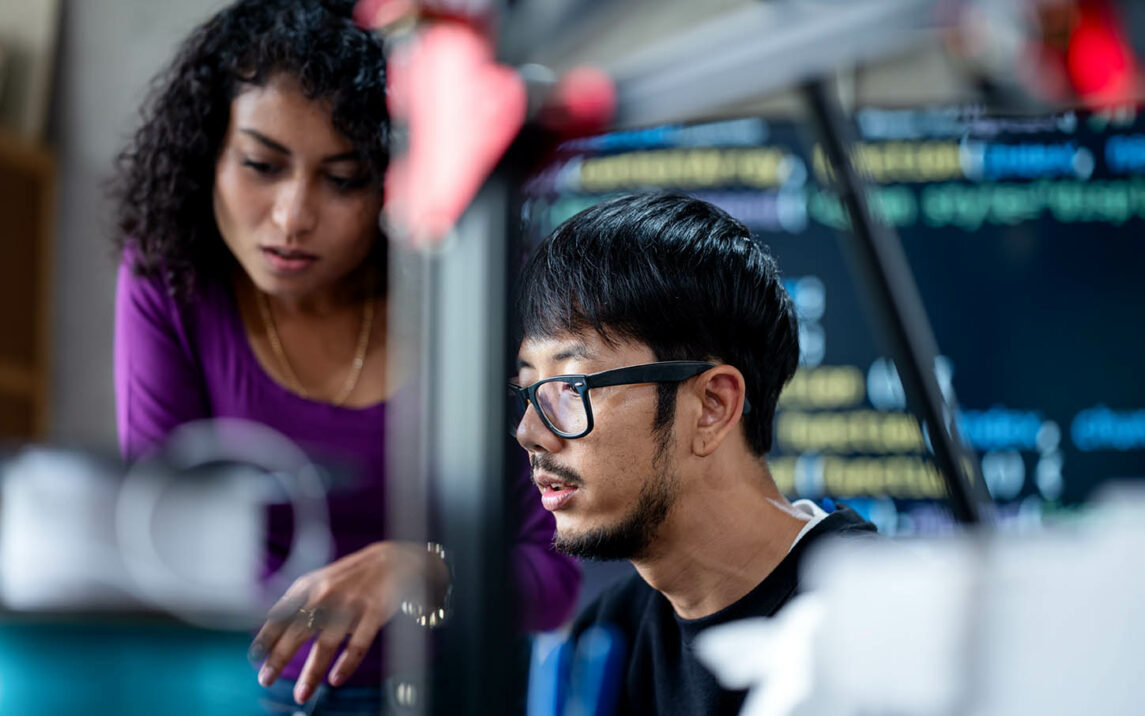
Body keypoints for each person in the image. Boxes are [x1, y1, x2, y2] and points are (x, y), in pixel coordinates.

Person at [112, 1, 579, 712]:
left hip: (452, 691)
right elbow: (163, 547)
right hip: (240, 691)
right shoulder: (170, 275)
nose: (292, 216)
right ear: (207, 150)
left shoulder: (482, 287)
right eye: (261, 165)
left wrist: (422, 573)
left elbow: (553, 579)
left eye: (343, 179)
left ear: (399, 178)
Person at [510, 192, 877, 716]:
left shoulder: (875, 625)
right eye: (530, 391)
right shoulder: (608, 638)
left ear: (711, 406)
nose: (531, 433)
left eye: (573, 387)